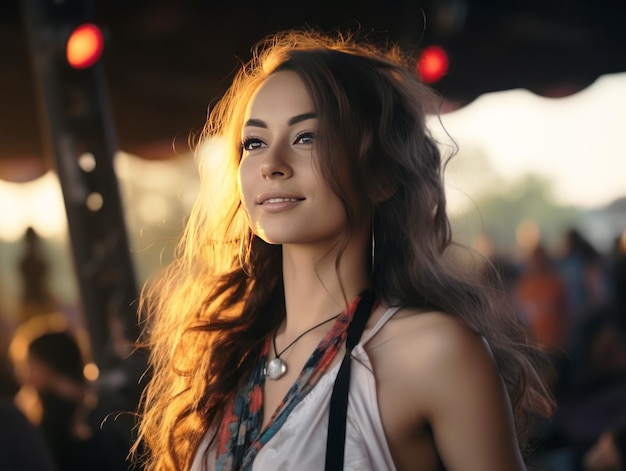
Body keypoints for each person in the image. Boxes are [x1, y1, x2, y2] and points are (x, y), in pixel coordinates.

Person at [133, 29, 553, 470]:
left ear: (381, 176)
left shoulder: (432, 352)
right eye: (254, 143)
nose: (272, 164)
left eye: (307, 137)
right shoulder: (227, 359)